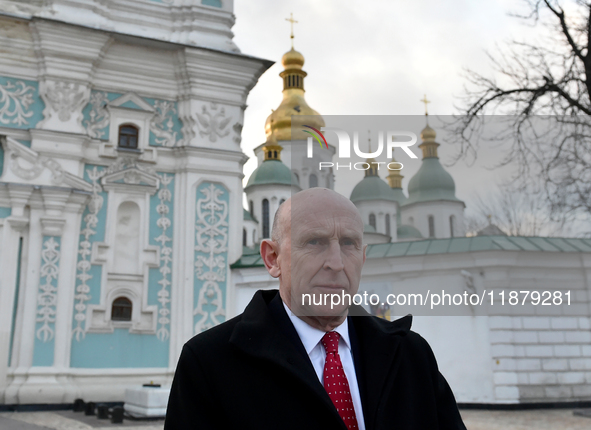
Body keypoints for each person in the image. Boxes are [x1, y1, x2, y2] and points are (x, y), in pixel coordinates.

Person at [165, 188, 466, 430]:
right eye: (314, 242)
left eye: (348, 243)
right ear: (273, 258)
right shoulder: (210, 363)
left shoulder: (410, 355)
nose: (336, 263)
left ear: (362, 257)